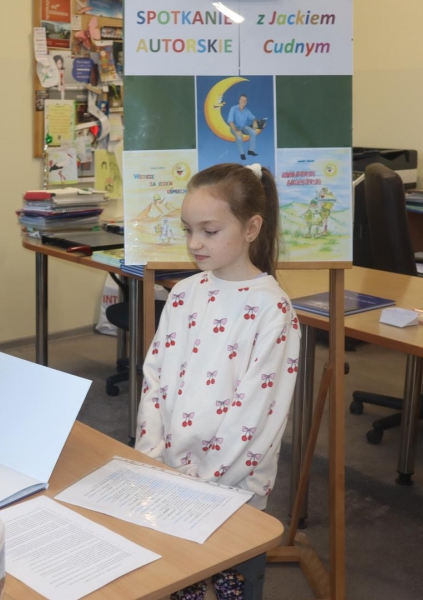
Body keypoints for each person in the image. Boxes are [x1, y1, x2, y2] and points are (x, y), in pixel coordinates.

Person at [135, 162, 300, 600]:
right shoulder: (184, 293)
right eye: (188, 230)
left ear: (251, 228)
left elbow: (258, 414)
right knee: (174, 581)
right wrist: (151, 455)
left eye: (209, 231)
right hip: (168, 476)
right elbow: (155, 378)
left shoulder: (272, 310)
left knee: (230, 584)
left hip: (231, 487)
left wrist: (204, 482)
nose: (194, 243)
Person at [227, 94, 258, 161]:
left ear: (246, 102)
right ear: (239, 100)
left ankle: (250, 150)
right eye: (242, 100)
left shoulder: (247, 111)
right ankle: (242, 153)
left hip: (243, 127)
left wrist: (255, 121)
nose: (243, 101)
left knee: (253, 132)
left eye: (245, 100)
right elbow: (230, 121)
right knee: (239, 137)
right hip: (234, 127)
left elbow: (252, 117)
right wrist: (236, 131)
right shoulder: (233, 108)